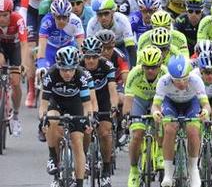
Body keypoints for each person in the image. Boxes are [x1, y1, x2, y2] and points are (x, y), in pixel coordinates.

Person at [152, 55, 210, 187]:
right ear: (171, 78)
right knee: (169, 129)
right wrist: (155, 112)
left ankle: (193, 169)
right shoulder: (164, 81)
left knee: (193, 130)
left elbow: (206, 104)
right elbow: (155, 105)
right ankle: (168, 173)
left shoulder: (196, 80)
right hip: (170, 103)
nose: (182, 84)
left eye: (185, 79)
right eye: (177, 81)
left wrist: (205, 111)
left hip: (191, 103)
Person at [40, 46, 93, 187]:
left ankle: (80, 182)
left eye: (71, 69)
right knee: (51, 119)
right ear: (58, 67)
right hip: (56, 103)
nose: (68, 73)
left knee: (77, 141)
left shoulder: (81, 76)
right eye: (64, 69)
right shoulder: (50, 74)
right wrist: (42, 119)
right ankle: (53, 157)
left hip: (75, 105)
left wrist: (89, 119)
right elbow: (43, 104)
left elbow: (87, 104)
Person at [123, 47, 168, 187]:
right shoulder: (134, 73)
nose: (150, 71)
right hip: (139, 99)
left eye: (154, 67)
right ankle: (134, 170)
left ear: (160, 66)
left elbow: (170, 97)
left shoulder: (165, 73)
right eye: (147, 67)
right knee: (137, 134)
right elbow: (128, 100)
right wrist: (126, 117)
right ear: (142, 66)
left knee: (162, 121)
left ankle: (160, 151)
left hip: (158, 99)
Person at [79, 37, 118, 187]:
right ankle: (83, 158)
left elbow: (112, 89)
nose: (90, 60)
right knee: (85, 130)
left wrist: (114, 106)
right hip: (85, 101)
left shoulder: (107, 65)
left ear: (99, 55)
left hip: (103, 100)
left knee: (105, 133)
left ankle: (106, 170)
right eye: (87, 57)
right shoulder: (78, 66)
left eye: (94, 56)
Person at [0, 0, 28, 136]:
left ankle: (16, 116)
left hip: (14, 47)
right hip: (1, 47)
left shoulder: (18, 19)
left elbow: (24, 44)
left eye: (5, 15)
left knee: (16, 83)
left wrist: (23, 64)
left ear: (11, 13)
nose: (2, 19)